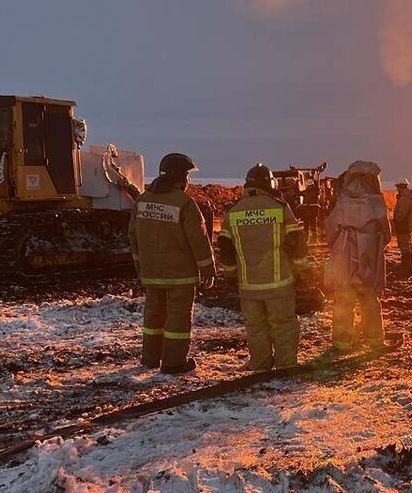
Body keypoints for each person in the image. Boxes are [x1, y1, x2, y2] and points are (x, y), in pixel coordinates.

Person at [129, 153, 216, 374]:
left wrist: (140, 267)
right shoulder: (184, 203)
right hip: (180, 275)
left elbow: (134, 237)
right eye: (187, 175)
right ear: (179, 177)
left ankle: (150, 358)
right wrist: (208, 268)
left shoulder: (142, 200)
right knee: (178, 318)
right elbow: (198, 239)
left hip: (151, 273)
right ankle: (174, 362)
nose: (188, 181)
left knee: (153, 317)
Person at [217, 164, 308, 371]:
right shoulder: (280, 207)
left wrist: (230, 274)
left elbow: (225, 247)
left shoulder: (234, 211)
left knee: (256, 327)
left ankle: (260, 365)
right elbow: (296, 242)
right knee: (283, 324)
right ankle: (286, 366)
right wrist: (302, 271)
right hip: (279, 283)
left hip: (249, 286)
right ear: (270, 183)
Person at [323, 161, 392, 357]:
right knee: (370, 300)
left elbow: (331, 229)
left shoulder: (343, 203)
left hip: (344, 262)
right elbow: (387, 234)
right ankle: (374, 340)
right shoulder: (378, 204)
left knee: (344, 301)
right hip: (369, 262)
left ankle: (342, 343)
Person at [393, 178, 412, 277]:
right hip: (405, 226)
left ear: (400, 186)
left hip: (403, 227)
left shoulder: (404, 198)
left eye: (397, 187)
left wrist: (396, 218)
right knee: (407, 246)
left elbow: (401, 214)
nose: (397, 189)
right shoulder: (406, 197)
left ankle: (406, 269)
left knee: (404, 247)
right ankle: (410, 269)